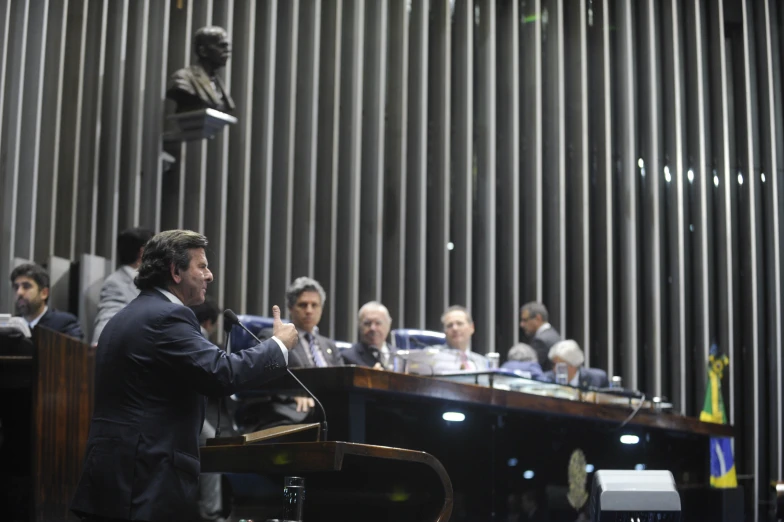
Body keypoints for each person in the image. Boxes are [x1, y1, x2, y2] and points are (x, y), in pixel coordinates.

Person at [70, 230, 298, 522]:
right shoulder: (168, 317)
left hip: (114, 476)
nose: (210, 275)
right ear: (175, 271)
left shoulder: (125, 316)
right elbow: (222, 373)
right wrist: (277, 346)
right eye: (201, 266)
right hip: (145, 479)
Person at [92, 227, 155, 344]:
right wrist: (101, 343)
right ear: (143, 253)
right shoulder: (115, 283)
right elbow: (108, 317)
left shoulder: (152, 283)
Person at [167, 26, 235, 114]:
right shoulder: (183, 78)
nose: (228, 50)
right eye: (222, 46)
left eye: (228, 46)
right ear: (203, 51)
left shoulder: (217, 82)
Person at [10, 263, 82, 340]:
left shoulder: (64, 324)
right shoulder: (10, 325)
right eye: (16, 287)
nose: (19, 292)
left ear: (44, 293)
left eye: (26, 286)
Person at [430, 306, 489, 374]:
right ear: (444, 331)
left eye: (459, 323)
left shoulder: (483, 362)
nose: (455, 328)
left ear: (471, 328)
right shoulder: (432, 355)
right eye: (449, 325)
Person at [341, 301, 394, 369]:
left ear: (388, 325)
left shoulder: (400, 356)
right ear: (359, 325)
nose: (372, 328)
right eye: (367, 323)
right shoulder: (348, 357)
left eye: (378, 323)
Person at [542, 339, 609, 388]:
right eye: (554, 364)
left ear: (573, 365)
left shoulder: (597, 379)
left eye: (560, 366)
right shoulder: (546, 379)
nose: (555, 369)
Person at [520, 302, 562, 372]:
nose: (522, 324)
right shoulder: (553, 334)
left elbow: (530, 368)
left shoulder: (540, 341)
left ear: (538, 318)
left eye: (525, 320)